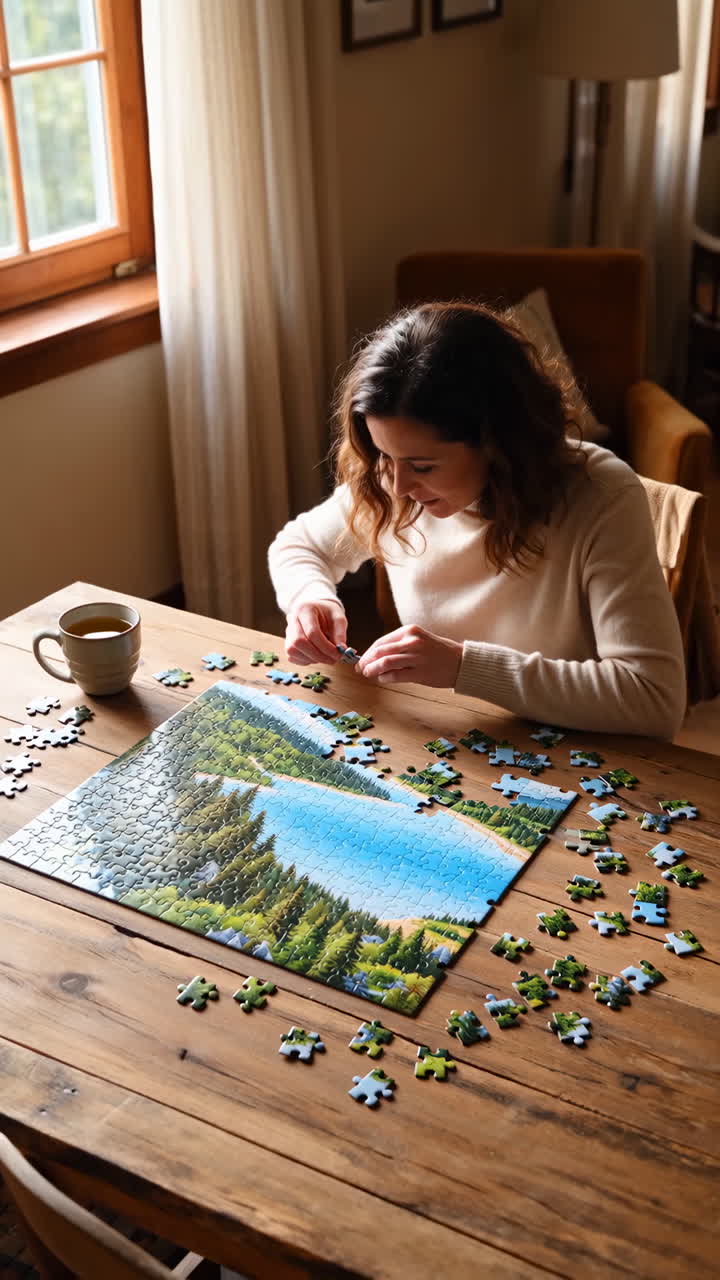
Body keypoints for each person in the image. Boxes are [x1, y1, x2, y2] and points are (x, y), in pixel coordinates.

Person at [268, 302, 686, 738]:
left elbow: (653, 698)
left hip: (567, 749)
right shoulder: (390, 474)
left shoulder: (602, 497)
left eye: (424, 466)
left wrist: (465, 668)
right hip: (443, 736)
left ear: (498, 444)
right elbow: (298, 545)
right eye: (383, 454)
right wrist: (310, 599)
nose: (396, 486)